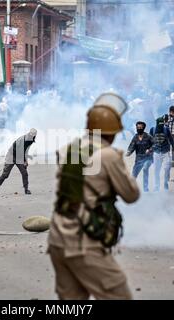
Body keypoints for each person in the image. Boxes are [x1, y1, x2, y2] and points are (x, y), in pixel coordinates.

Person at [48, 92, 139, 300]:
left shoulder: (67, 150)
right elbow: (131, 195)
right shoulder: (108, 156)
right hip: (83, 242)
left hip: (58, 238)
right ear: (112, 133)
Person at [0, 128, 37, 195]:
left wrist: (26, 160)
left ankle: (26, 190)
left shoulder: (30, 141)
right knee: (5, 174)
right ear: (29, 134)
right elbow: (17, 151)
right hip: (11, 155)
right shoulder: (22, 139)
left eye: (33, 135)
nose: (32, 136)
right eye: (31, 135)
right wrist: (24, 160)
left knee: (24, 173)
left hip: (19, 157)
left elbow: (26, 150)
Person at [126, 121, 154, 192]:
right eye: (138, 127)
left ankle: (145, 188)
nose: (139, 129)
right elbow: (132, 146)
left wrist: (150, 149)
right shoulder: (135, 137)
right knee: (134, 174)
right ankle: (131, 188)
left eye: (140, 128)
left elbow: (155, 145)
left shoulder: (148, 136)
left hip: (148, 158)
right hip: (138, 159)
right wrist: (129, 152)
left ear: (143, 128)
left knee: (145, 168)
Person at [150, 115, 174, 191]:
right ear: (157, 124)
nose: (161, 126)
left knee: (167, 168)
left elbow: (171, 140)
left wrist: (173, 150)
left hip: (165, 152)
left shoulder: (166, 129)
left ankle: (165, 182)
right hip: (156, 152)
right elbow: (149, 141)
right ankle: (157, 185)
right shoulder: (152, 130)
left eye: (162, 124)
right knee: (156, 170)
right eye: (159, 125)